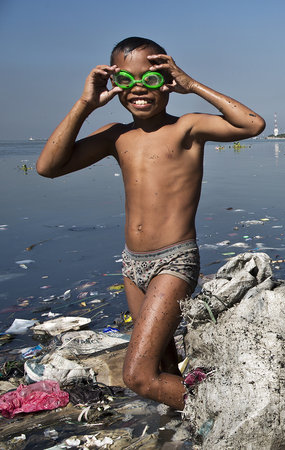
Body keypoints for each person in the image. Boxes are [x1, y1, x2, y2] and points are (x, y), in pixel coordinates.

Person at [37, 37, 265, 410]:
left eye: (151, 79)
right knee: (162, 365)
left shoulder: (187, 128)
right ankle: (186, 425)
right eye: (126, 80)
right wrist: (85, 104)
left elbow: (252, 124)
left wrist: (192, 84)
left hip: (174, 261)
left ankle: (234, 412)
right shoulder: (116, 135)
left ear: (167, 81)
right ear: (114, 84)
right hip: (132, 266)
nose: (139, 89)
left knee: (138, 376)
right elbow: (48, 167)